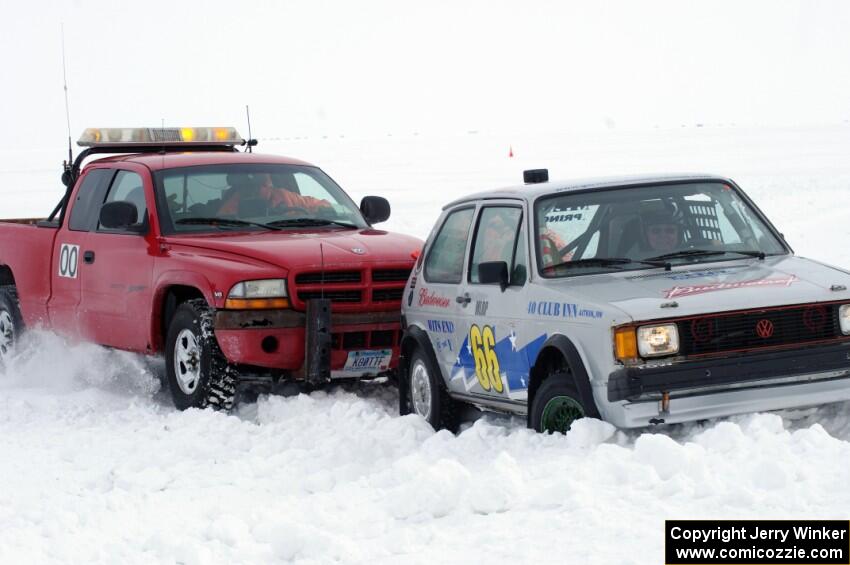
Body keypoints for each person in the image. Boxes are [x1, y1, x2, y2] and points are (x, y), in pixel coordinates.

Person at [218, 173, 333, 216]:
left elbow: (317, 204)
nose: (252, 187)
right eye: (247, 183)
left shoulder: (284, 196)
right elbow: (221, 225)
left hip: (291, 239)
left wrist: (324, 209)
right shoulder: (234, 203)